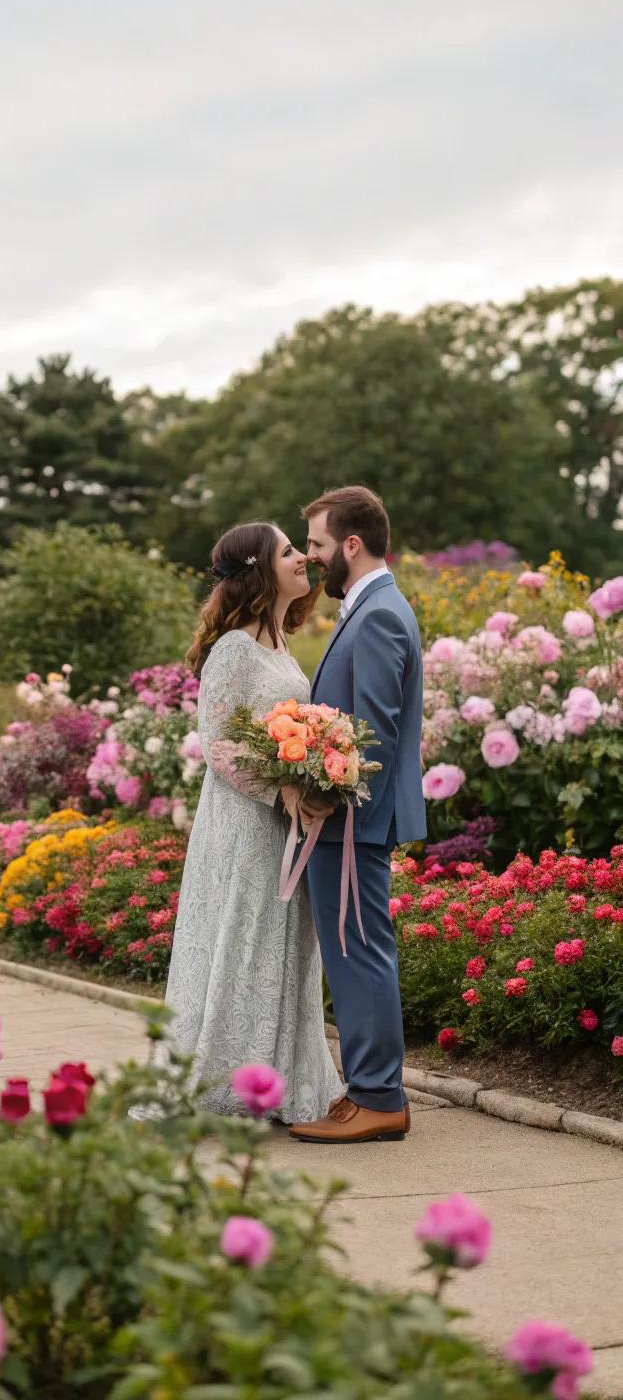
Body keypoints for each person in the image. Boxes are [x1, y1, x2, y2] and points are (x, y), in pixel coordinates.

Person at [155, 519, 340, 1122]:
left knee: (284, 945)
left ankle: (282, 1078)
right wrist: (283, 792)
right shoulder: (234, 648)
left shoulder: (278, 645)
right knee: (244, 940)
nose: (302, 559)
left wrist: (318, 774)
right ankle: (227, 1083)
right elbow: (220, 745)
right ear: (260, 568)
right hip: (244, 823)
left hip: (282, 824)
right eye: (289, 551)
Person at [289, 485, 425, 1144]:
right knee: (355, 949)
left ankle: (378, 1096)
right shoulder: (366, 610)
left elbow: (373, 732)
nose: (313, 558)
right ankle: (369, 1088)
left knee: (358, 951)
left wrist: (325, 790)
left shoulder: (378, 616)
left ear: (350, 544)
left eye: (317, 545)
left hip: (351, 821)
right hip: (347, 818)